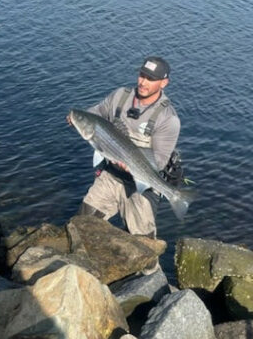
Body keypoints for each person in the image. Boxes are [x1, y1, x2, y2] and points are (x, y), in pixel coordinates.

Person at [74, 56, 180, 238]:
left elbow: (160, 162)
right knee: (80, 226)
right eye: (141, 75)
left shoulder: (168, 119)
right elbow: (96, 113)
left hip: (142, 185)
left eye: (150, 79)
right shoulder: (120, 96)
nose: (143, 82)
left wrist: (131, 165)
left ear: (164, 83)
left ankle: (150, 267)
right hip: (111, 176)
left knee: (143, 244)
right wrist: (79, 118)